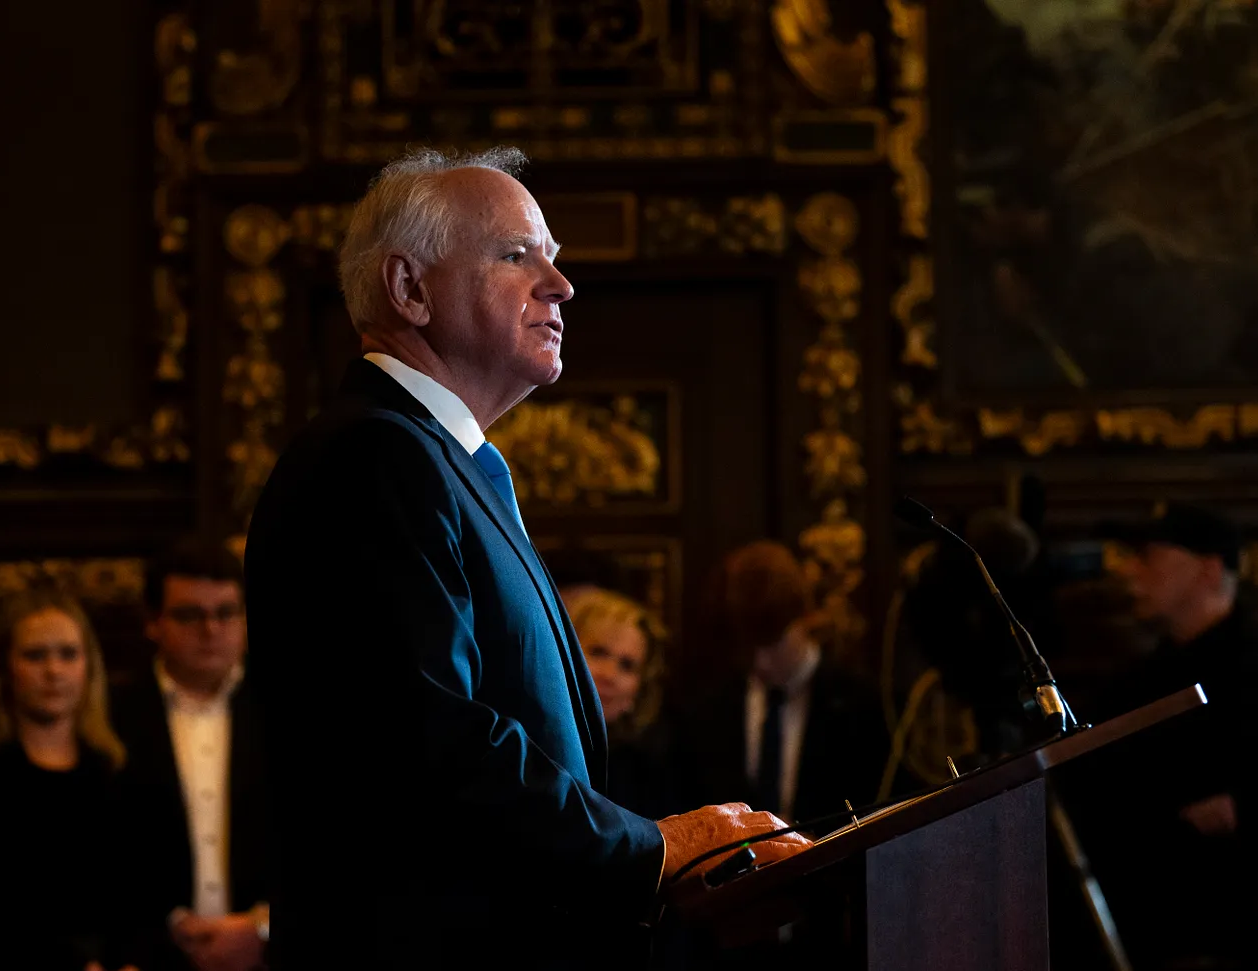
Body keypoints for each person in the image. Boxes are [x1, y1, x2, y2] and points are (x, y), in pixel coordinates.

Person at [244, 146, 809, 967]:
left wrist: (657, 874)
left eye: (554, 257)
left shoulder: (442, 461)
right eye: (518, 255)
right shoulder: (369, 457)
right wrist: (656, 850)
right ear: (410, 289)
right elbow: (430, 742)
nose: (560, 285)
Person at [1074, 503, 1258, 968]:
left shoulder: (1253, 671)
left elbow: (1217, 810)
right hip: (1132, 917)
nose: (1132, 572)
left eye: (1151, 557)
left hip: (1199, 933)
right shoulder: (1150, 669)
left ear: (1208, 570)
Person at [0, 589, 133, 971]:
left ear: (88, 666)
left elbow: (130, 899)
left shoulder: (112, 771)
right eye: (35, 655)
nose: (53, 671)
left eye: (68, 654)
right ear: (5, 668)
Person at [115, 540, 270, 971]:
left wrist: (261, 927)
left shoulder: (285, 709)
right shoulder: (110, 715)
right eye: (190, 614)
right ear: (153, 621)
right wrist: (168, 922)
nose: (211, 629)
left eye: (226, 613)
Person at [674, 541, 888, 830]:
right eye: (750, 645)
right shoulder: (708, 706)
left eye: (773, 642)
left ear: (805, 618)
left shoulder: (863, 704)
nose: (760, 662)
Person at [564, 586, 679, 820]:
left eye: (627, 665)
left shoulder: (649, 773)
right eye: (598, 652)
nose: (610, 674)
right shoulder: (526, 751)